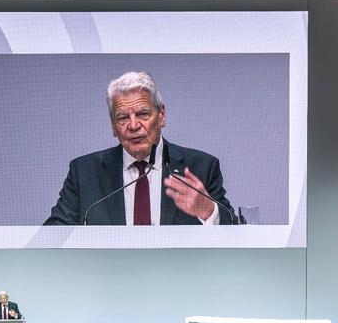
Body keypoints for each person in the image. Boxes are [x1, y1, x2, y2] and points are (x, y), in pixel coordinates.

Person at [44, 71, 234, 226]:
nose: (133, 126)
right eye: (122, 118)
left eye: (142, 114)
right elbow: (54, 234)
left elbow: (236, 230)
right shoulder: (84, 172)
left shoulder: (201, 167)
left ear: (161, 115)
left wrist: (208, 210)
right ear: (113, 126)